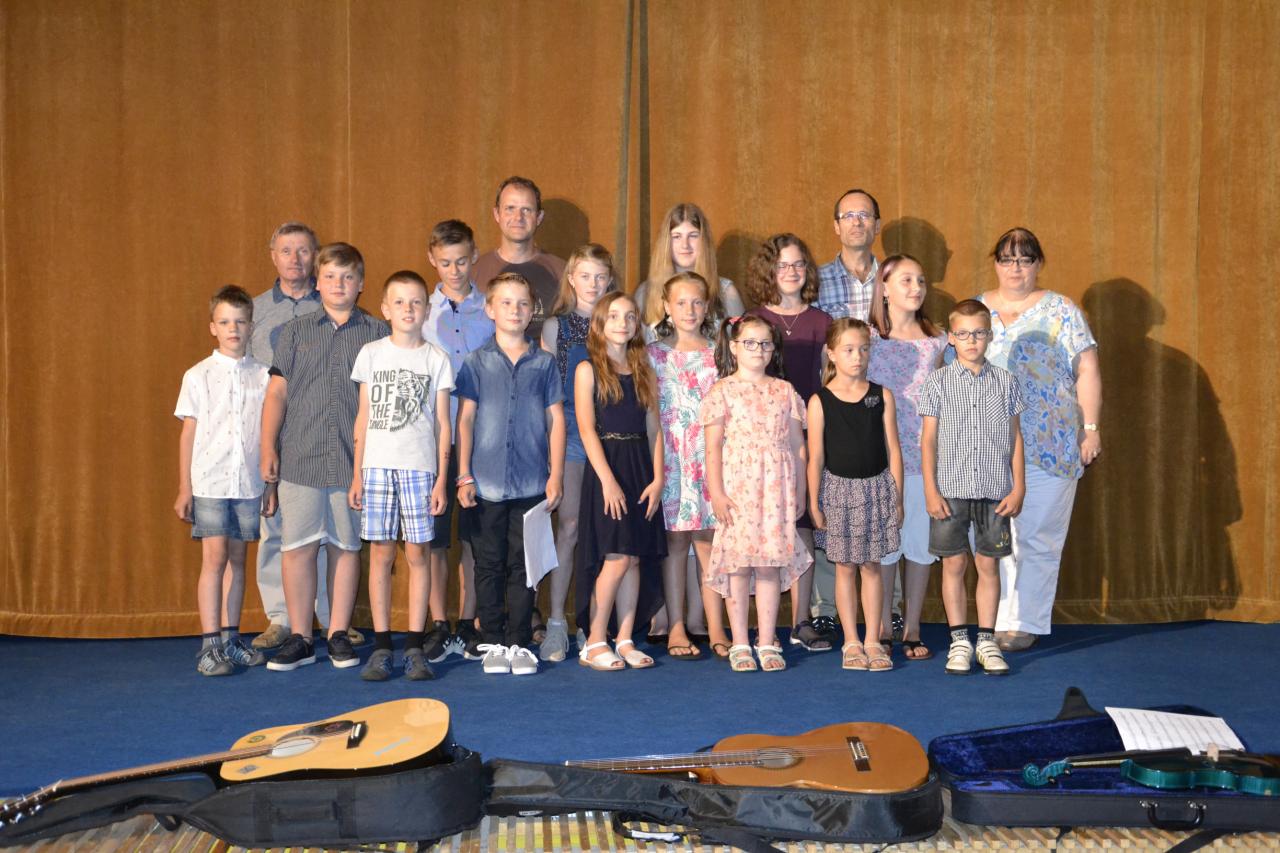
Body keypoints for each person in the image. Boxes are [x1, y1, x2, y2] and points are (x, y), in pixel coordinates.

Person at [260, 243, 389, 672]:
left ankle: (337, 632)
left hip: (353, 462)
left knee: (346, 546)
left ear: (361, 284)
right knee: (297, 547)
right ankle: (300, 636)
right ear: (317, 282)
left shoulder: (377, 334)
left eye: (348, 277)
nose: (339, 284)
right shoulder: (295, 332)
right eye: (330, 276)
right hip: (300, 457)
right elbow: (277, 393)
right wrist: (268, 447)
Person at [978, 228, 1101, 651]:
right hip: (987, 447)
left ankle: (1025, 621)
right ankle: (996, 619)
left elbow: (1087, 370)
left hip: (1052, 443)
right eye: (1007, 258)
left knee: (1039, 537)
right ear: (995, 263)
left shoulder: (1062, 310)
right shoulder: (975, 310)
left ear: (1038, 264)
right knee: (996, 538)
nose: (1016, 268)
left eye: (1025, 259)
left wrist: (1090, 429)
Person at [455, 273, 565, 676]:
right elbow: (465, 420)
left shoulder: (544, 363)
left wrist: (555, 475)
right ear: (490, 309)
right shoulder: (476, 362)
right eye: (506, 302)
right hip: (485, 485)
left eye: (523, 303)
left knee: (524, 566)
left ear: (532, 310)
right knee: (488, 565)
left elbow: (556, 420)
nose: (515, 311)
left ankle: (519, 641)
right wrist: (464, 475)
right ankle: (493, 642)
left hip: (532, 483)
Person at [349, 271, 454, 681]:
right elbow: (362, 417)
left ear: (427, 310)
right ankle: (381, 646)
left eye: (416, 302)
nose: (408, 309)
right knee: (380, 554)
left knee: (418, 555)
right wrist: (357, 475)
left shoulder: (436, 359)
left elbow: (443, 424)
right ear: (385, 309)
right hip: (376, 467)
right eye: (400, 302)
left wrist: (441, 478)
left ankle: (414, 644)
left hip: (420, 469)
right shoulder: (371, 354)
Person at [701, 316, 811, 672]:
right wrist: (717, 493)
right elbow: (712, 448)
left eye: (765, 343)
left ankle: (765, 641)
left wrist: (800, 490)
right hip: (739, 488)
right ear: (734, 347)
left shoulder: (784, 391)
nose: (758, 350)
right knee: (738, 565)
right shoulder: (722, 391)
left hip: (776, 490)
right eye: (750, 342)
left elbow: (797, 446)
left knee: (768, 565)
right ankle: (739, 643)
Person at [920, 299, 1025, 675]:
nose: (971, 340)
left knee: (988, 564)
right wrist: (931, 490)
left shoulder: (1006, 382)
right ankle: (959, 640)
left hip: (995, 490)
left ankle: (986, 639)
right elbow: (928, 441)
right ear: (951, 338)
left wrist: (1018, 487)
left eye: (979, 333)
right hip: (950, 489)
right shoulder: (938, 382)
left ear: (990, 336)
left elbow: (1015, 438)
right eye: (963, 334)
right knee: (954, 563)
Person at [248, 222, 340, 651]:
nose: (295, 259)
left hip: (323, 435)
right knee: (275, 527)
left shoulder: (333, 305)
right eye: (286, 250)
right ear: (273, 256)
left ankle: (328, 617)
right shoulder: (256, 311)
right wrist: (265, 442)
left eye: (304, 251)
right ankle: (280, 618)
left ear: (316, 257)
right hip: (273, 433)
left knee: (324, 529)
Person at [174, 285, 271, 675]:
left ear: (251, 326)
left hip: (247, 483)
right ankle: (209, 645)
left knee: (237, 559)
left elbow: (268, 434)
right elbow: (188, 434)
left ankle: (231, 639)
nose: (233, 329)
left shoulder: (263, 376)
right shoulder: (198, 375)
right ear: (213, 327)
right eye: (225, 322)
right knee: (213, 559)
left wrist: (269, 484)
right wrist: (185, 487)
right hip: (210, 482)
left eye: (240, 322)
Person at [745, 233, 833, 653]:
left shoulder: (822, 322)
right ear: (769, 270)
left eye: (799, 264)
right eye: (782, 265)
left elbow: (828, 381)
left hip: (805, 437)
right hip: (759, 441)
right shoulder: (753, 321)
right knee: (758, 528)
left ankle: (801, 622)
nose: (792, 272)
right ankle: (754, 626)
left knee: (801, 524)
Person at [574, 293, 667, 670]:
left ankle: (625, 638)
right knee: (615, 557)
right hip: (607, 468)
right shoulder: (588, 369)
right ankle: (595, 640)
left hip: (640, 466)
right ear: (599, 323)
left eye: (630, 317)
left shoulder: (644, 369)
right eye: (613, 316)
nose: (622, 323)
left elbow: (654, 428)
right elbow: (586, 429)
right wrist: (608, 482)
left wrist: (658, 478)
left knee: (635, 557)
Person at [807, 318, 903, 673]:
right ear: (832, 353)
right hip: (838, 492)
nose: (857, 357)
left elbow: (893, 450)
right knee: (845, 567)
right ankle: (851, 641)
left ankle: (873, 639)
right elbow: (816, 457)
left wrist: (898, 498)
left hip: (876, 489)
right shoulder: (820, 401)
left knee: (872, 566)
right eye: (848, 350)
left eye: (863, 349)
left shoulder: (882, 396)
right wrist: (813, 502)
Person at [866, 254, 948, 660]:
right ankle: (882, 625)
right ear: (884, 288)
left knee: (919, 546)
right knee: (884, 547)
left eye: (921, 280)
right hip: (878, 458)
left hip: (925, 459)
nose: (916, 288)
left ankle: (912, 626)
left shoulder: (940, 341)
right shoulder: (867, 338)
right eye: (905, 280)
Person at [538, 243, 617, 661]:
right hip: (569, 432)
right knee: (568, 526)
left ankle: (596, 624)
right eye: (585, 276)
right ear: (571, 278)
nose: (593, 284)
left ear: (610, 280)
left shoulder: (617, 323)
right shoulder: (556, 327)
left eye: (600, 276)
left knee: (605, 531)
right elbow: (548, 390)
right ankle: (556, 622)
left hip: (612, 432)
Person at [422, 219, 495, 662]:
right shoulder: (420, 311)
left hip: (477, 442)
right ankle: (436, 622)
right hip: (430, 443)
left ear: (474, 257)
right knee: (433, 538)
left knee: (472, 537)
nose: (454, 270)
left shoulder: (490, 311)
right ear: (432, 260)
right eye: (446, 262)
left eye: (462, 261)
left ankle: (469, 621)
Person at [647, 272, 727, 660]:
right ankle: (676, 624)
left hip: (708, 459)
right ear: (666, 306)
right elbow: (649, 414)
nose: (689, 310)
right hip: (670, 460)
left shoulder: (719, 353)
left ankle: (716, 626)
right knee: (675, 543)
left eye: (697, 302)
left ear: (707, 306)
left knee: (708, 541)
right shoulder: (652, 354)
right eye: (680, 302)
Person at [633, 203, 746, 342]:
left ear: (704, 241)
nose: (685, 245)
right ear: (666, 242)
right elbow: (634, 349)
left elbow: (743, 345)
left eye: (693, 236)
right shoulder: (645, 293)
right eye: (676, 236)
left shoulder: (726, 293)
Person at [472, 176, 565, 340]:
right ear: (497, 214)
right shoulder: (474, 272)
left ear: (539, 217)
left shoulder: (562, 272)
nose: (518, 217)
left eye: (526, 210)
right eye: (510, 208)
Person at [817, 189, 882, 321]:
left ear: (877, 225)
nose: (856, 222)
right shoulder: (816, 281)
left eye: (864, 215)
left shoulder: (892, 279)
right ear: (837, 226)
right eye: (848, 216)